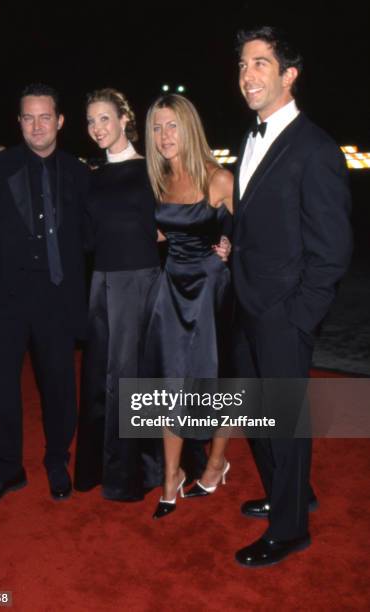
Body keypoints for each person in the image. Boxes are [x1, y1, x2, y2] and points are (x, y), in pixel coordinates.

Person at [232, 27, 352, 567]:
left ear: (289, 74)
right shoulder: (248, 137)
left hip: (283, 315)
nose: (247, 75)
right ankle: (292, 493)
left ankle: (290, 528)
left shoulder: (316, 148)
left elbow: (332, 250)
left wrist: (299, 317)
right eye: (242, 65)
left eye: (260, 63)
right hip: (248, 305)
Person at [0, 83, 89, 507]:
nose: (37, 126)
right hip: (2, 303)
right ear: (19, 122)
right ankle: (8, 470)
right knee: (0, 389)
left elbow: (93, 236)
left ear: (60, 121)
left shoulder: (77, 172)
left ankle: (57, 461)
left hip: (56, 301)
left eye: (45, 117)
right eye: (28, 118)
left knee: (58, 388)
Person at [144, 94, 234, 519]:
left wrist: (234, 248)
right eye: (158, 128)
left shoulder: (220, 179)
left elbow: (258, 234)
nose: (164, 136)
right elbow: (161, 235)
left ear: (189, 127)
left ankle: (216, 464)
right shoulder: (158, 181)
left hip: (211, 291)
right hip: (172, 289)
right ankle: (171, 476)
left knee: (215, 380)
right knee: (169, 383)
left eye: (172, 126)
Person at [73, 88, 164, 501]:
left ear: (125, 119)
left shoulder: (152, 169)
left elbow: (182, 213)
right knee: (98, 378)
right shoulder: (91, 178)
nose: (97, 128)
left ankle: (133, 472)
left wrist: (216, 242)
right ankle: (98, 467)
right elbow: (88, 238)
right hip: (102, 285)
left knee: (131, 377)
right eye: (91, 121)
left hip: (141, 283)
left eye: (105, 118)